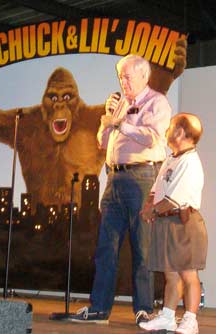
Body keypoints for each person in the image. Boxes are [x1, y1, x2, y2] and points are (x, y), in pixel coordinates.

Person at [69, 54, 172, 325]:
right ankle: (99, 308)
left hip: (142, 177)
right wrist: (106, 122)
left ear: (143, 76)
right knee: (106, 246)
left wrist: (121, 124)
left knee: (143, 246)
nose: (122, 82)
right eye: (120, 77)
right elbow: (103, 143)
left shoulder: (157, 102)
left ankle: (144, 309)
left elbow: (154, 137)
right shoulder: (121, 104)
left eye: (126, 76)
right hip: (114, 178)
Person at [139, 113, 207, 334]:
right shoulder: (172, 158)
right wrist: (149, 205)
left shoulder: (190, 162)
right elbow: (156, 189)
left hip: (183, 223)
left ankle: (190, 319)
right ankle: (168, 316)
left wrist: (152, 212)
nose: (167, 130)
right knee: (170, 274)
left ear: (180, 132)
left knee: (188, 274)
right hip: (167, 221)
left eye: (171, 126)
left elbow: (173, 200)